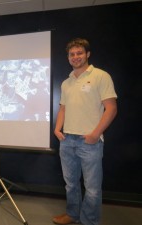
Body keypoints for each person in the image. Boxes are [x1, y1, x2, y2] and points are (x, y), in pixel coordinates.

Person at [53, 38, 117, 225]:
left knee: (92, 188)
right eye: (72, 54)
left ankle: (89, 221)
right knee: (71, 184)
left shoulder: (100, 76)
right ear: (68, 57)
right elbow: (63, 107)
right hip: (67, 141)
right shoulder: (67, 82)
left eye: (79, 53)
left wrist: (95, 134)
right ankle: (73, 215)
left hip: (89, 142)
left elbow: (111, 108)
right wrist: (57, 129)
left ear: (87, 54)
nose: (75, 57)